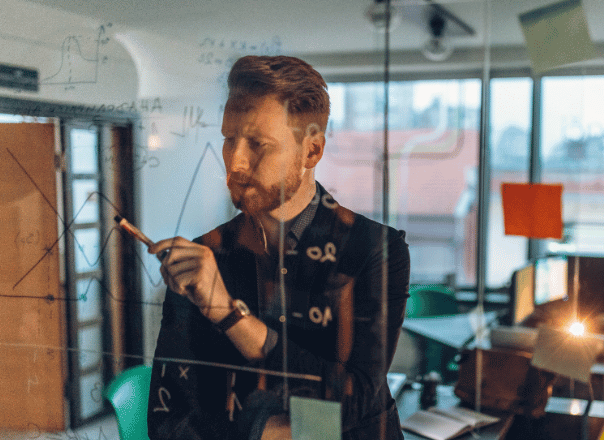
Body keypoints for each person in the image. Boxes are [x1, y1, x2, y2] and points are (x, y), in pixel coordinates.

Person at [147, 55, 410, 440]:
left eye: (258, 144)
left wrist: (228, 315)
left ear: (311, 152)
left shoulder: (376, 249)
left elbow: (354, 403)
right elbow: (167, 421)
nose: (235, 162)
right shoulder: (202, 258)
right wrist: (268, 430)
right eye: (228, 140)